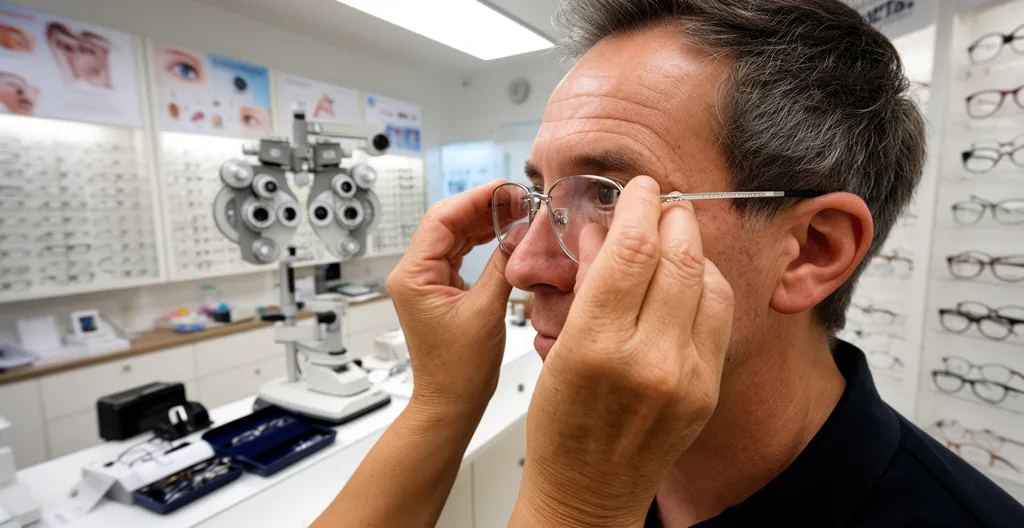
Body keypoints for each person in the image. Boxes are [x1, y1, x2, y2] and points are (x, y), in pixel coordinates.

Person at [314, 1, 1024, 527]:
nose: (525, 266)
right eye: (541, 194)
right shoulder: (618, 463)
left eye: (607, 195)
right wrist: (443, 404)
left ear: (810, 250)